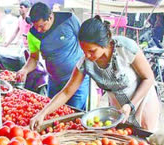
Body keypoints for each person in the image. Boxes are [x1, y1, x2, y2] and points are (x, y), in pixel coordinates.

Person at [30, 16, 161, 132]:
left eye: (92, 51)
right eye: (84, 50)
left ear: (105, 43)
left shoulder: (126, 48)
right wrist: (43, 113)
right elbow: (66, 92)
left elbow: (148, 78)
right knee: (124, 136)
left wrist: (131, 105)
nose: (87, 55)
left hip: (142, 99)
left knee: (144, 136)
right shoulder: (86, 62)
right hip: (118, 106)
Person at [17, 2, 89, 110]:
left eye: (41, 26)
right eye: (35, 26)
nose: (38, 30)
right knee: (51, 114)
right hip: (54, 82)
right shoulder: (32, 34)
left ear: (50, 17)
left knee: (73, 114)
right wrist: (25, 70)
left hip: (77, 80)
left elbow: (84, 42)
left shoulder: (69, 19)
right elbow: (33, 58)